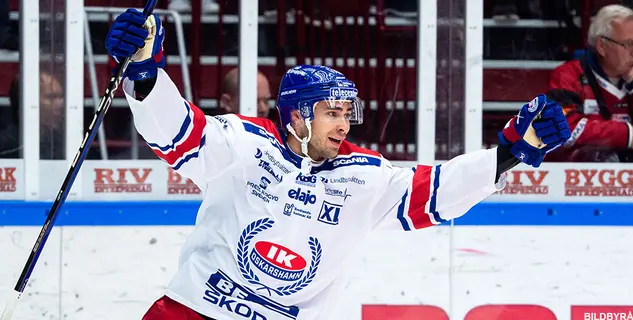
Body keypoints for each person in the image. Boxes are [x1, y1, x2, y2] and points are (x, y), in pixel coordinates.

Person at [105, 9, 570, 320]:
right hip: (194, 312)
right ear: (296, 115)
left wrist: (508, 153)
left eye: (349, 113)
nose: (345, 124)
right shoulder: (241, 143)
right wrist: (145, 74)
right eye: (333, 112)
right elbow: (176, 131)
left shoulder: (365, 177)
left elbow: (438, 191)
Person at [546, 4, 633, 162]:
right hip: (576, 180)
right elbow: (562, 128)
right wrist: (629, 135)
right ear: (602, 46)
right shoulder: (568, 76)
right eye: (628, 44)